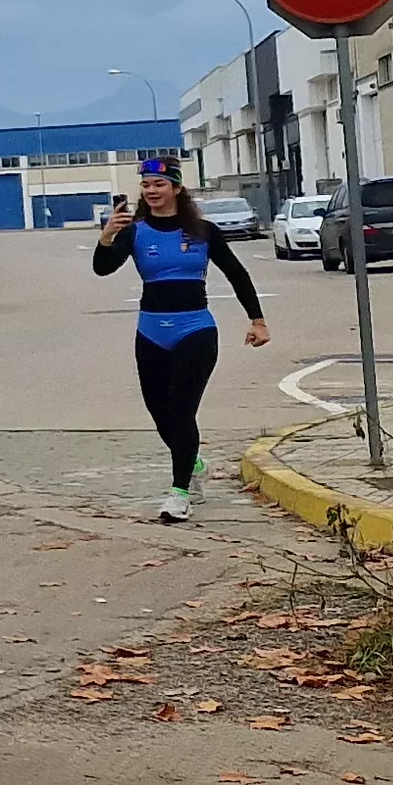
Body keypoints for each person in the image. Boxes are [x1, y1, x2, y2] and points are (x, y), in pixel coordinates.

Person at [91, 159, 266, 522]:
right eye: (146, 185)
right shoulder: (133, 231)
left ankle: (179, 492)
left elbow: (237, 274)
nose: (151, 191)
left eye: (159, 184)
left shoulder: (203, 231)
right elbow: (103, 268)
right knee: (161, 415)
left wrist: (257, 321)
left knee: (181, 411)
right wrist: (106, 236)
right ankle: (194, 463)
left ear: (176, 188)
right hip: (151, 331)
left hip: (196, 330)